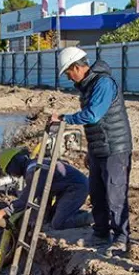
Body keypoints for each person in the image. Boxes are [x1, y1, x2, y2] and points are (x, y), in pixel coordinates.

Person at [52, 46, 133, 252]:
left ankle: (121, 238)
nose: (69, 78)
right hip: (99, 148)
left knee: (115, 194)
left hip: (115, 148)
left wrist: (64, 118)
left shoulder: (103, 83)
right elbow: (95, 125)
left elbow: (93, 115)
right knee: (97, 193)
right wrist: (90, 150)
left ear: (77, 67)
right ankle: (101, 233)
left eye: (68, 72)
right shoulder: (88, 87)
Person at [0, 146, 92, 231]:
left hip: (76, 188)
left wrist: (4, 211)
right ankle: (82, 216)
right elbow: (45, 194)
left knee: (58, 224)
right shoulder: (35, 164)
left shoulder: (34, 172)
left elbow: (26, 200)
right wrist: (42, 218)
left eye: (9, 172)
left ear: (13, 166)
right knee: (52, 218)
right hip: (68, 189)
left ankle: (94, 217)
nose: (13, 175)